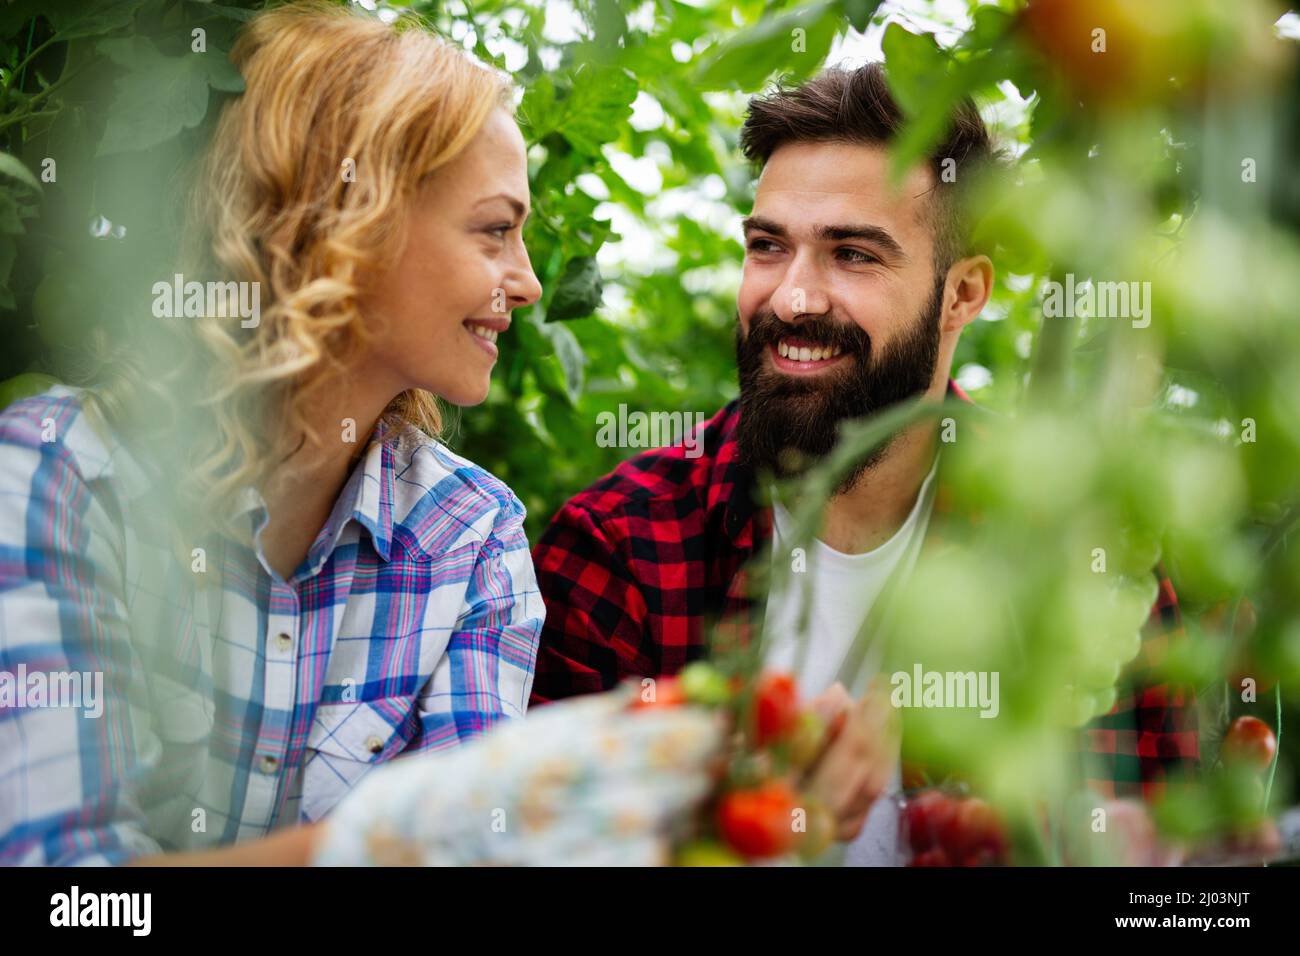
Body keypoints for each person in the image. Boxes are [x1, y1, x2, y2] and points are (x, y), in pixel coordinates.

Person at [0, 1, 719, 867]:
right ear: (350, 224)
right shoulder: (61, 482)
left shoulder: (472, 537)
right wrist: (410, 831)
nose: (527, 282)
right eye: (495, 230)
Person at [528, 64, 1200, 863]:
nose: (794, 298)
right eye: (768, 246)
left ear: (963, 295)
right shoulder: (622, 543)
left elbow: (1176, 885)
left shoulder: (1074, 553)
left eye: (852, 254)